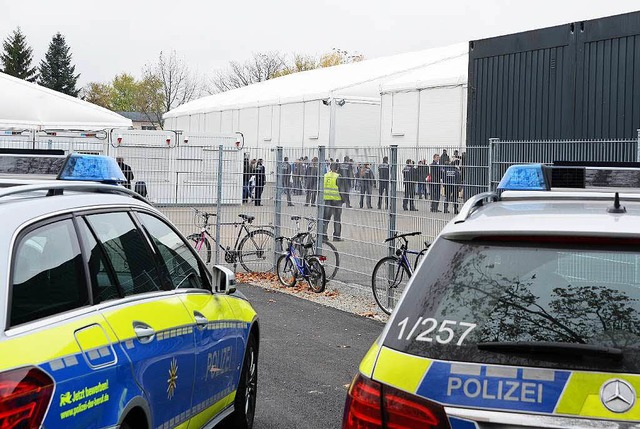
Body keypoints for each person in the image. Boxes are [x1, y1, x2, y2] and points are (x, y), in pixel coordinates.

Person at [322, 162, 344, 242]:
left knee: (325, 219)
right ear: (337, 168)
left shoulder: (325, 175)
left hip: (327, 199)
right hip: (337, 200)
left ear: (330, 168)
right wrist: (343, 200)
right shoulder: (338, 176)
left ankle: (323, 236)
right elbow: (341, 189)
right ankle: (336, 236)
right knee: (337, 219)